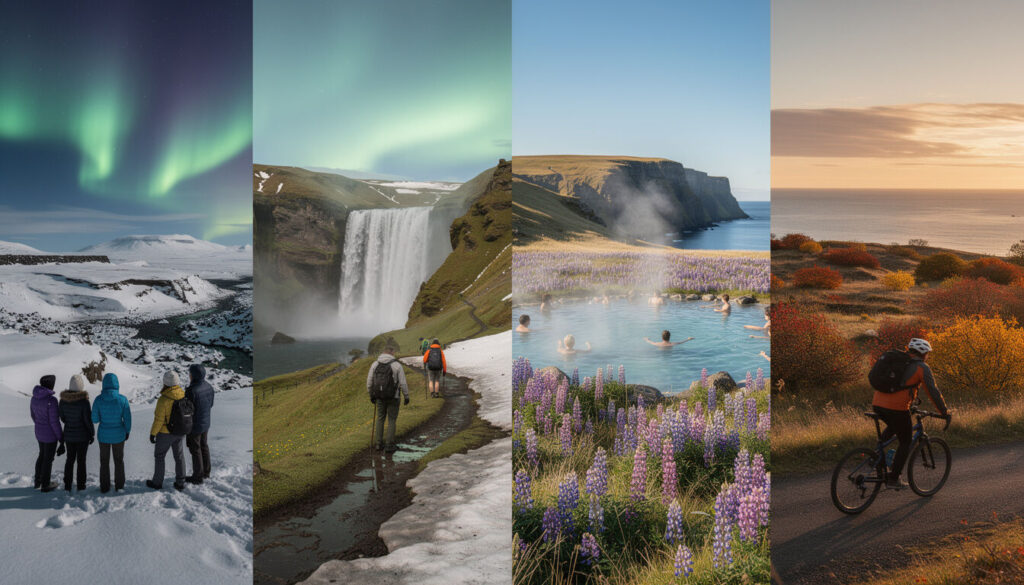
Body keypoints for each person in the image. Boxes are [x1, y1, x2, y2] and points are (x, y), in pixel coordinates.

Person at [872, 338, 950, 489]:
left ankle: (875, 456)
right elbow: (932, 392)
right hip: (896, 409)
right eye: (927, 353)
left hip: (877, 405)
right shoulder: (922, 367)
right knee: (905, 442)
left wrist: (910, 405)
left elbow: (900, 387)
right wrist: (944, 412)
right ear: (924, 353)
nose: (927, 356)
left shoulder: (898, 361)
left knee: (894, 427)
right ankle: (893, 479)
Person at [147, 371, 187, 491]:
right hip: (180, 431)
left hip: (165, 433)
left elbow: (159, 420)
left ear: (165, 382)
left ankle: (157, 482)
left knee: (159, 456)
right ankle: (181, 482)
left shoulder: (163, 400)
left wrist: (153, 433)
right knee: (179, 456)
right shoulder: (183, 395)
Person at [92, 373, 131, 493]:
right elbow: (127, 419)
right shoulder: (122, 399)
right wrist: (127, 431)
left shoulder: (98, 399)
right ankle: (119, 485)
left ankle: (104, 486)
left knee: (104, 461)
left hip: (103, 436)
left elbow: (94, 419)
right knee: (119, 461)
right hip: (119, 435)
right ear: (117, 384)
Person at [367, 346, 410, 452]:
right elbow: (403, 383)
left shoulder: (375, 364)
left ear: (383, 353)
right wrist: (406, 396)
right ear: (392, 353)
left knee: (380, 418)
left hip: (379, 396)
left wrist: (371, 395)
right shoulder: (397, 365)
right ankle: (389, 445)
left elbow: (369, 382)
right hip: (393, 397)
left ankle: (378, 444)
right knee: (392, 420)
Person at [58, 374, 94, 493]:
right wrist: (91, 433)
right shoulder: (84, 402)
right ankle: (81, 485)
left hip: (68, 435)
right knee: (81, 461)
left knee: (70, 459)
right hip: (83, 436)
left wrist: (70, 423)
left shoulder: (63, 401)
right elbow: (87, 420)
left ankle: (67, 484)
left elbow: (62, 417)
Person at [30, 374, 63, 492]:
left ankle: (37, 481)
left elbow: (33, 416)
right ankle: (45, 484)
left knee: (41, 455)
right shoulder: (51, 401)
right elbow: (54, 422)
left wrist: (40, 425)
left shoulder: (34, 398)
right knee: (48, 459)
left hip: (39, 432)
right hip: (50, 435)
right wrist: (61, 437)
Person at [184, 364, 214, 485]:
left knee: (195, 449)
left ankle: (197, 476)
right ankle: (206, 472)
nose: (189, 375)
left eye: (190, 373)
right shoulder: (209, 386)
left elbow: (187, 410)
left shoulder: (191, 390)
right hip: (205, 422)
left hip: (195, 425)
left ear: (194, 375)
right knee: (204, 446)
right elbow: (211, 404)